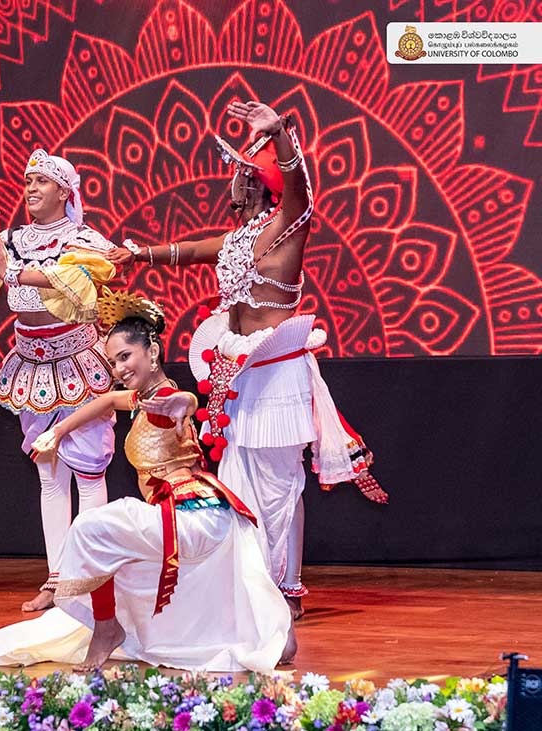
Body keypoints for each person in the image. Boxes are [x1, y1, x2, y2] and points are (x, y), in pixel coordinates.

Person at [110, 100, 387, 618]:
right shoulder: (237, 239)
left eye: (242, 173)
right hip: (237, 371)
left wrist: (280, 136)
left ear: (261, 181)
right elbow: (188, 250)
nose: (233, 182)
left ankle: (285, 588)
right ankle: (248, 583)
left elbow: (301, 191)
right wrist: (138, 254)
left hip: (277, 374)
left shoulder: (288, 226)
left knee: (280, 485)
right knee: (236, 483)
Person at [0, 292, 293, 672]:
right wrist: (58, 432)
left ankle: (106, 629)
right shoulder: (143, 397)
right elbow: (104, 403)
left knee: (90, 528)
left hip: (191, 517)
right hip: (196, 517)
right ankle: (266, 634)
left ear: (152, 352)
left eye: (125, 357)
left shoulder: (165, 398)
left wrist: (184, 403)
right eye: (112, 361)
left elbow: (185, 401)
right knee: (120, 563)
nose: (118, 369)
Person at [0, 149, 120, 612]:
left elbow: (76, 280)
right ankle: (56, 580)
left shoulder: (83, 238)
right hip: (30, 364)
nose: (31, 189)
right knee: (48, 472)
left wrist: (7, 271)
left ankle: (89, 578)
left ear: (65, 192)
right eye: (28, 181)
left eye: (42, 182)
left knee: (89, 471)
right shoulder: (11, 239)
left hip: (80, 361)